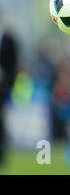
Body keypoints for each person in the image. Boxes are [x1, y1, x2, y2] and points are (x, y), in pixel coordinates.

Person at [0, 13, 18, 165]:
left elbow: (13, 64)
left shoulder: (9, 38)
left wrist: (8, 84)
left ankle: (2, 155)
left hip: (2, 87)